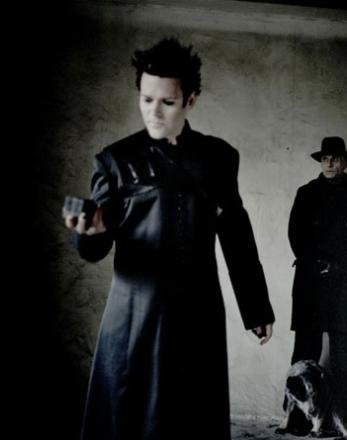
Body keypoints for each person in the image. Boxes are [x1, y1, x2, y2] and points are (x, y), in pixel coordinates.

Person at [63, 38, 275, 440]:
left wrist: (256, 307)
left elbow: (236, 233)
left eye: (167, 102)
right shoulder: (115, 160)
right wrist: (89, 232)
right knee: (132, 422)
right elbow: (93, 247)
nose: (153, 112)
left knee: (193, 421)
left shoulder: (219, 158)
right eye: (146, 100)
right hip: (135, 316)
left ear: (191, 100)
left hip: (198, 313)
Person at [287, 137, 347, 439]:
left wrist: (337, 266)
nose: (330, 163)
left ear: (345, 162)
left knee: (343, 355)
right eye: (325, 158)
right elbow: (295, 235)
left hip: (344, 284)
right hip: (310, 282)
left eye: (335, 158)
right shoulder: (305, 193)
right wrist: (316, 264)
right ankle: (298, 420)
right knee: (304, 351)